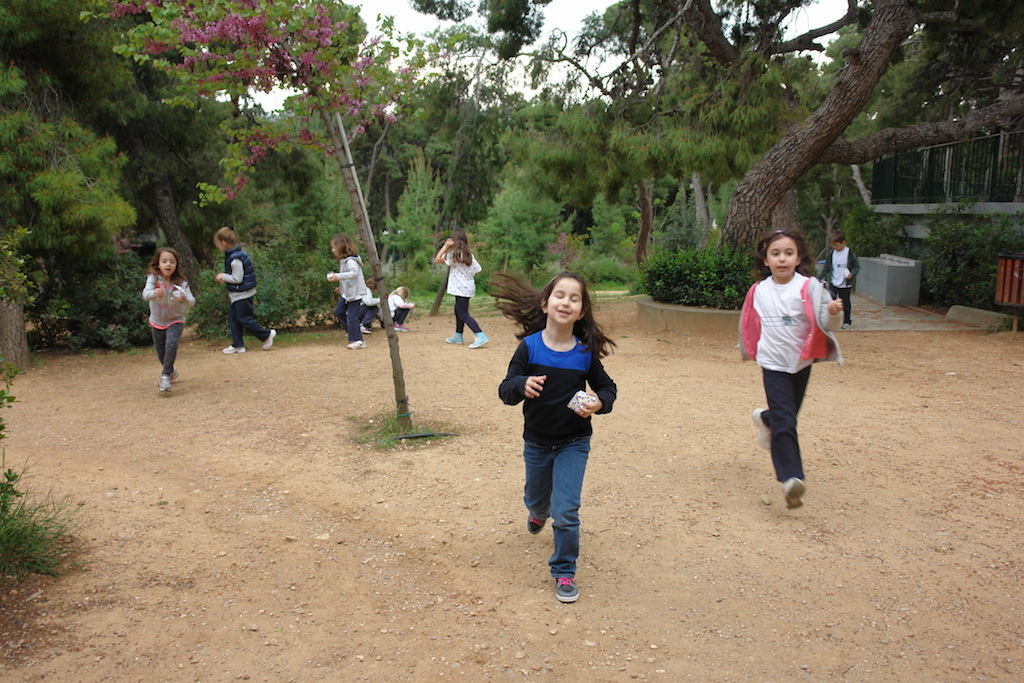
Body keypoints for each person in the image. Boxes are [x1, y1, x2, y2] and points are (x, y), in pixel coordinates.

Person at [493, 271, 617, 604]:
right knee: (537, 500)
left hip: (573, 442)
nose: (566, 302)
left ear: (581, 311)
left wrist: (599, 402)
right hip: (536, 441)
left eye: (575, 298)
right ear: (546, 304)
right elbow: (505, 390)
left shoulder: (584, 352)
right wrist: (521, 385)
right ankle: (537, 512)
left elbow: (607, 388)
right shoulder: (529, 347)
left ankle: (564, 570)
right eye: (560, 295)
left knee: (566, 510)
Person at [739, 228, 843, 509]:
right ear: (765, 260)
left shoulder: (810, 287)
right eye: (775, 254)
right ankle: (790, 479)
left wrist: (834, 313)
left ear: (798, 258)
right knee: (787, 422)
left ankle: (766, 419)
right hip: (772, 363)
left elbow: (827, 322)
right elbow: (749, 322)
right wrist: (748, 349)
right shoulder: (759, 290)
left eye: (788, 253)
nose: (782, 259)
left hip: (800, 362)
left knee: (787, 415)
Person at [213, 227, 276, 354]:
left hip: (242, 294)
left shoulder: (235, 258)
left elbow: (237, 278)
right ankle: (238, 344)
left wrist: (223, 277)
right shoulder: (235, 254)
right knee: (233, 318)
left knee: (243, 319)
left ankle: (266, 334)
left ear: (223, 242)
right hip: (239, 293)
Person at [142, 247, 195, 392]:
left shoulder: (181, 282)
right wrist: (154, 293)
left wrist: (184, 299)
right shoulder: (153, 278)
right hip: (157, 321)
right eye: (164, 261)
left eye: (172, 261)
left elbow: (191, 302)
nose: (168, 264)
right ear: (158, 264)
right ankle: (171, 371)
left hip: (175, 319)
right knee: (162, 354)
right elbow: (145, 294)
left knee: (171, 344)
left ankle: (165, 376)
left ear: (176, 264)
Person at [434, 227, 488, 348]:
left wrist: (445, 246)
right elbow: (477, 269)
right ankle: (458, 335)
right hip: (468, 286)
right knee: (458, 310)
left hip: (459, 288)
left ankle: (480, 335)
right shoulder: (469, 255)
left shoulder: (453, 254)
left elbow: (437, 259)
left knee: (462, 313)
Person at [326, 233, 368, 350]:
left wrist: (337, 276)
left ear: (341, 247)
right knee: (339, 312)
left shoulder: (351, 260)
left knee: (352, 317)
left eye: (334, 247)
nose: (332, 250)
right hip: (348, 293)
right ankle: (353, 333)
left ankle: (358, 340)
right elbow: (348, 277)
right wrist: (342, 288)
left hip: (355, 294)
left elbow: (353, 273)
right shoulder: (344, 261)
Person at [819, 229, 860, 329]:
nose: (834, 247)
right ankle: (831, 320)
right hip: (833, 282)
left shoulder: (849, 253)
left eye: (836, 245)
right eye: (833, 245)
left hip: (845, 283)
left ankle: (846, 321)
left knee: (845, 303)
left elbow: (856, 266)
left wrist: (852, 274)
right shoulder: (831, 253)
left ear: (843, 243)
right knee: (831, 302)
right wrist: (817, 278)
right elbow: (826, 268)